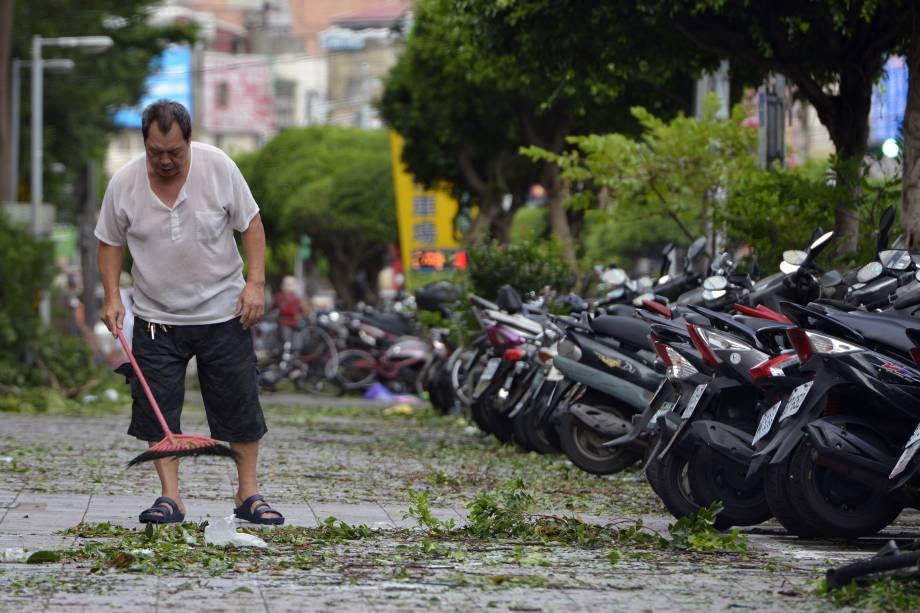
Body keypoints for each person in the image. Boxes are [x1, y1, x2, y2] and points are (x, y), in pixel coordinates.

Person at [95, 99, 283, 526]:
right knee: (156, 407)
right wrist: (111, 297)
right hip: (156, 316)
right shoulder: (124, 183)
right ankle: (170, 498)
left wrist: (255, 284)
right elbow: (108, 241)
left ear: (189, 141)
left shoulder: (218, 167)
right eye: (156, 152)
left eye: (174, 152)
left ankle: (248, 493)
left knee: (239, 402)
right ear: (144, 144)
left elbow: (251, 224)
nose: (165, 160)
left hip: (223, 311)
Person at [270, 275, 305, 352]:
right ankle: (284, 351)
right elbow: (272, 307)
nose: (289, 287)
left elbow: (302, 309)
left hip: (294, 322)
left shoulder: (296, 298)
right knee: (285, 339)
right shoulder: (280, 296)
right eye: (287, 285)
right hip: (284, 322)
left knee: (296, 340)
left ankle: (293, 352)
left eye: (292, 285)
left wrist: (300, 315)